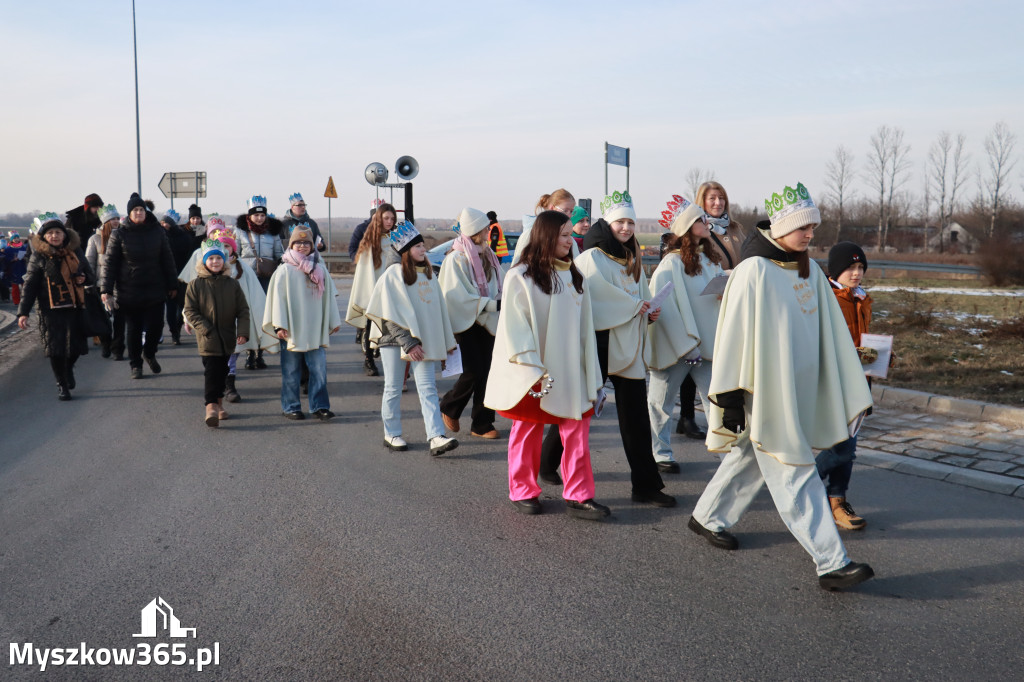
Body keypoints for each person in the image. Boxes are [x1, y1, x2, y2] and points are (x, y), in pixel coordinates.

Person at [687, 182, 875, 591]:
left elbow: (832, 334)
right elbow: (733, 334)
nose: (810, 234)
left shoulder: (805, 268)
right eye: (803, 226)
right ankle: (832, 562)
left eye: (813, 227)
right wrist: (732, 397)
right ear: (782, 226)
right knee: (794, 470)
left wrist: (850, 386)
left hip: (798, 390)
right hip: (763, 392)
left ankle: (707, 517)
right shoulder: (753, 270)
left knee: (749, 458)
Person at [484, 210, 609, 520]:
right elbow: (515, 327)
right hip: (536, 370)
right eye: (564, 235)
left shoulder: (574, 275)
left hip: (571, 370)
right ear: (545, 236)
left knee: (576, 433)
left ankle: (579, 494)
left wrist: (590, 371)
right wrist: (530, 368)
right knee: (527, 429)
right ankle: (523, 489)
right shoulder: (521, 276)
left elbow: (585, 328)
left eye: (570, 235)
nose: (570, 241)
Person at [570, 191, 675, 507]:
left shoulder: (632, 259)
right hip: (600, 345)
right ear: (608, 222)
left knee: (636, 419)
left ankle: (645, 484)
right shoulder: (591, 258)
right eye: (621, 222)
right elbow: (595, 298)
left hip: (627, 344)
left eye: (630, 221)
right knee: (580, 411)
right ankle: (550, 462)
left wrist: (650, 312)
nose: (627, 228)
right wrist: (635, 306)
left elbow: (640, 295)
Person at [365, 221, 459, 456]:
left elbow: (437, 315)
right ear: (405, 250)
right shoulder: (393, 274)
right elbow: (388, 315)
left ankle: (436, 436)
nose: (422, 249)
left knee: (428, 388)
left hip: (422, 345)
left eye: (422, 246)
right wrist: (409, 343)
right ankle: (392, 433)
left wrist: (445, 345)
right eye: (417, 246)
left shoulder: (429, 275)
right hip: (394, 342)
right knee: (394, 387)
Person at [647, 195, 724, 474]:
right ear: (689, 226)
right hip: (679, 347)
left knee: (717, 402)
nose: (707, 222)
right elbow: (663, 304)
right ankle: (660, 453)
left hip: (707, 344)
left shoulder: (711, 260)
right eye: (701, 219)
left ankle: (727, 457)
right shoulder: (671, 264)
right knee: (661, 403)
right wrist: (684, 344)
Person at [674, 181, 749, 438]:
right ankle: (686, 415)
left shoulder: (736, 229)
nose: (718, 203)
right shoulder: (700, 232)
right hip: (710, 299)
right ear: (701, 204)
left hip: (735, 296)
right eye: (712, 199)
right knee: (696, 360)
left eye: (721, 198)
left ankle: (729, 409)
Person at [179, 228, 278, 403]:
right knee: (212, 362)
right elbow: (191, 303)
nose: (224, 251)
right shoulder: (202, 274)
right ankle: (216, 396)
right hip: (208, 325)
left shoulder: (243, 269)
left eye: (227, 246)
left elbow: (254, 296)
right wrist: (187, 319)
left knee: (231, 355)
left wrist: (255, 321)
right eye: (221, 246)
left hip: (232, 323)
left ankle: (229, 385)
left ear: (232, 249)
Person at [817, 241, 875, 530]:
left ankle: (837, 502)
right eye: (850, 268)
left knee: (848, 445)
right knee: (843, 448)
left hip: (859, 382)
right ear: (835, 271)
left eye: (860, 267)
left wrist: (881, 357)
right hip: (835, 382)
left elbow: (863, 341)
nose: (856, 273)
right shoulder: (826, 298)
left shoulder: (862, 298)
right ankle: (799, 488)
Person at [262, 224, 341, 421]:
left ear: (312, 245)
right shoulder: (284, 271)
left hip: (314, 329)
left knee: (319, 371)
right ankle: (291, 406)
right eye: (298, 242)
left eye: (307, 242)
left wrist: (332, 320)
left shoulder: (320, 269)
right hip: (292, 330)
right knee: (291, 371)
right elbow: (277, 300)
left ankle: (319, 406)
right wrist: (279, 325)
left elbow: (329, 297)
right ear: (291, 245)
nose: (303, 246)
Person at [438, 207, 502, 439]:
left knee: (490, 373)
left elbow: (497, 285)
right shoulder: (456, 258)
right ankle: (449, 406)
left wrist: (501, 303)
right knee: (473, 372)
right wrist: (490, 305)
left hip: (489, 321)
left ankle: (482, 423)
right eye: (485, 227)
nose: (488, 230)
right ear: (475, 230)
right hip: (467, 323)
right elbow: (455, 296)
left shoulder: (488, 255)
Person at [100, 193, 178, 380]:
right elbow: (110, 263)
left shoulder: (157, 231)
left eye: (141, 209)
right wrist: (106, 290)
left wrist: (172, 283)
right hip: (129, 289)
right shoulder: (119, 234)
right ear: (129, 214)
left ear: (146, 212)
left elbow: (167, 259)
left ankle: (149, 353)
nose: (139, 212)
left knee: (156, 327)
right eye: (135, 210)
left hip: (155, 288)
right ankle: (136, 365)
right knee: (133, 330)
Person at [16, 214, 93, 400]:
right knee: (55, 348)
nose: (54, 236)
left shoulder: (75, 252)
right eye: (50, 233)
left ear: (64, 235)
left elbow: (90, 275)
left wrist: (84, 278)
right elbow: (30, 285)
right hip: (49, 309)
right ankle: (61, 384)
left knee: (76, 347)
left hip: (74, 306)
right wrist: (23, 312)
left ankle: (68, 369)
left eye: (58, 232)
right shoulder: (39, 257)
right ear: (44, 237)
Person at [183, 240, 250, 427]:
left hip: (228, 336)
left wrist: (243, 331)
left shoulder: (232, 284)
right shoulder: (195, 285)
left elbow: (243, 310)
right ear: (204, 262)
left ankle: (219, 405)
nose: (214, 262)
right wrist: (205, 329)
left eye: (218, 258)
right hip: (208, 338)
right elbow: (190, 311)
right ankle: (210, 406)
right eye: (210, 258)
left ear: (224, 261)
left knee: (223, 371)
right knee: (212, 371)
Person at [346, 203, 398, 376]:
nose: (389, 221)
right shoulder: (369, 240)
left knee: (394, 326)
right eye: (386, 218)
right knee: (371, 324)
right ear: (378, 218)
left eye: (392, 218)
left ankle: (395, 366)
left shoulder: (397, 238)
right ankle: (369, 361)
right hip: (374, 289)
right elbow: (365, 268)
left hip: (393, 289)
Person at [237, 195, 284, 370]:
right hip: (247, 278)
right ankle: (250, 352)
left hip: (267, 278)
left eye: (262, 215)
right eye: (256, 215)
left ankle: (260, 353)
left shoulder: (273, 232)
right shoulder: (240, 231)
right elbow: (235, 253)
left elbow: (280, 254)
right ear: (249, 216)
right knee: (249, 315)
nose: (259, 218)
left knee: (264, 315)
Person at [85, 204, 122, 358]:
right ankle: (106, 343)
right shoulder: (95, 239)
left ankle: (117, 347)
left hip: (121, 285)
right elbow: (90, 262)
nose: (116, 221)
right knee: (104, 320)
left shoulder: (123, 236)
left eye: (117, 218)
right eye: (112, 219)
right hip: (102, 286)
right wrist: (89, 284)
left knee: (120, 320)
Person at [510, 189, 575, 266]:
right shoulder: (531, 234)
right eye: (565, 210)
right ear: (552, 208)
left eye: (571, 211)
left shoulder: (570, 239)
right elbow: (517, 265)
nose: (569, 215)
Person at [161, 209, 194, 346]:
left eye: (165, 222)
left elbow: (189, 257)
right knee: (170, 307)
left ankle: (178, 327)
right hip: (167, 277)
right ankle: (174, 332)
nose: (163, 225)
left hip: (183, 277)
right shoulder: (160, 237)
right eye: (161, 222)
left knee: (182, 306)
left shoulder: (184, 237)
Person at [4, 231, 29, 306]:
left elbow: (27, 256)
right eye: (14, 238)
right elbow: (5, 260)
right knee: (15, 287)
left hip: (22, 268)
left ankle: (26, 300)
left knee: (25, 286)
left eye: (17, 237)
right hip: (13, 269)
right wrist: (12, 259)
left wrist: (25, 258)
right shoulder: (8, 249)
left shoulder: (23, 247)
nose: (16, 239)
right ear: (11, 239)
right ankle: (16, 301)